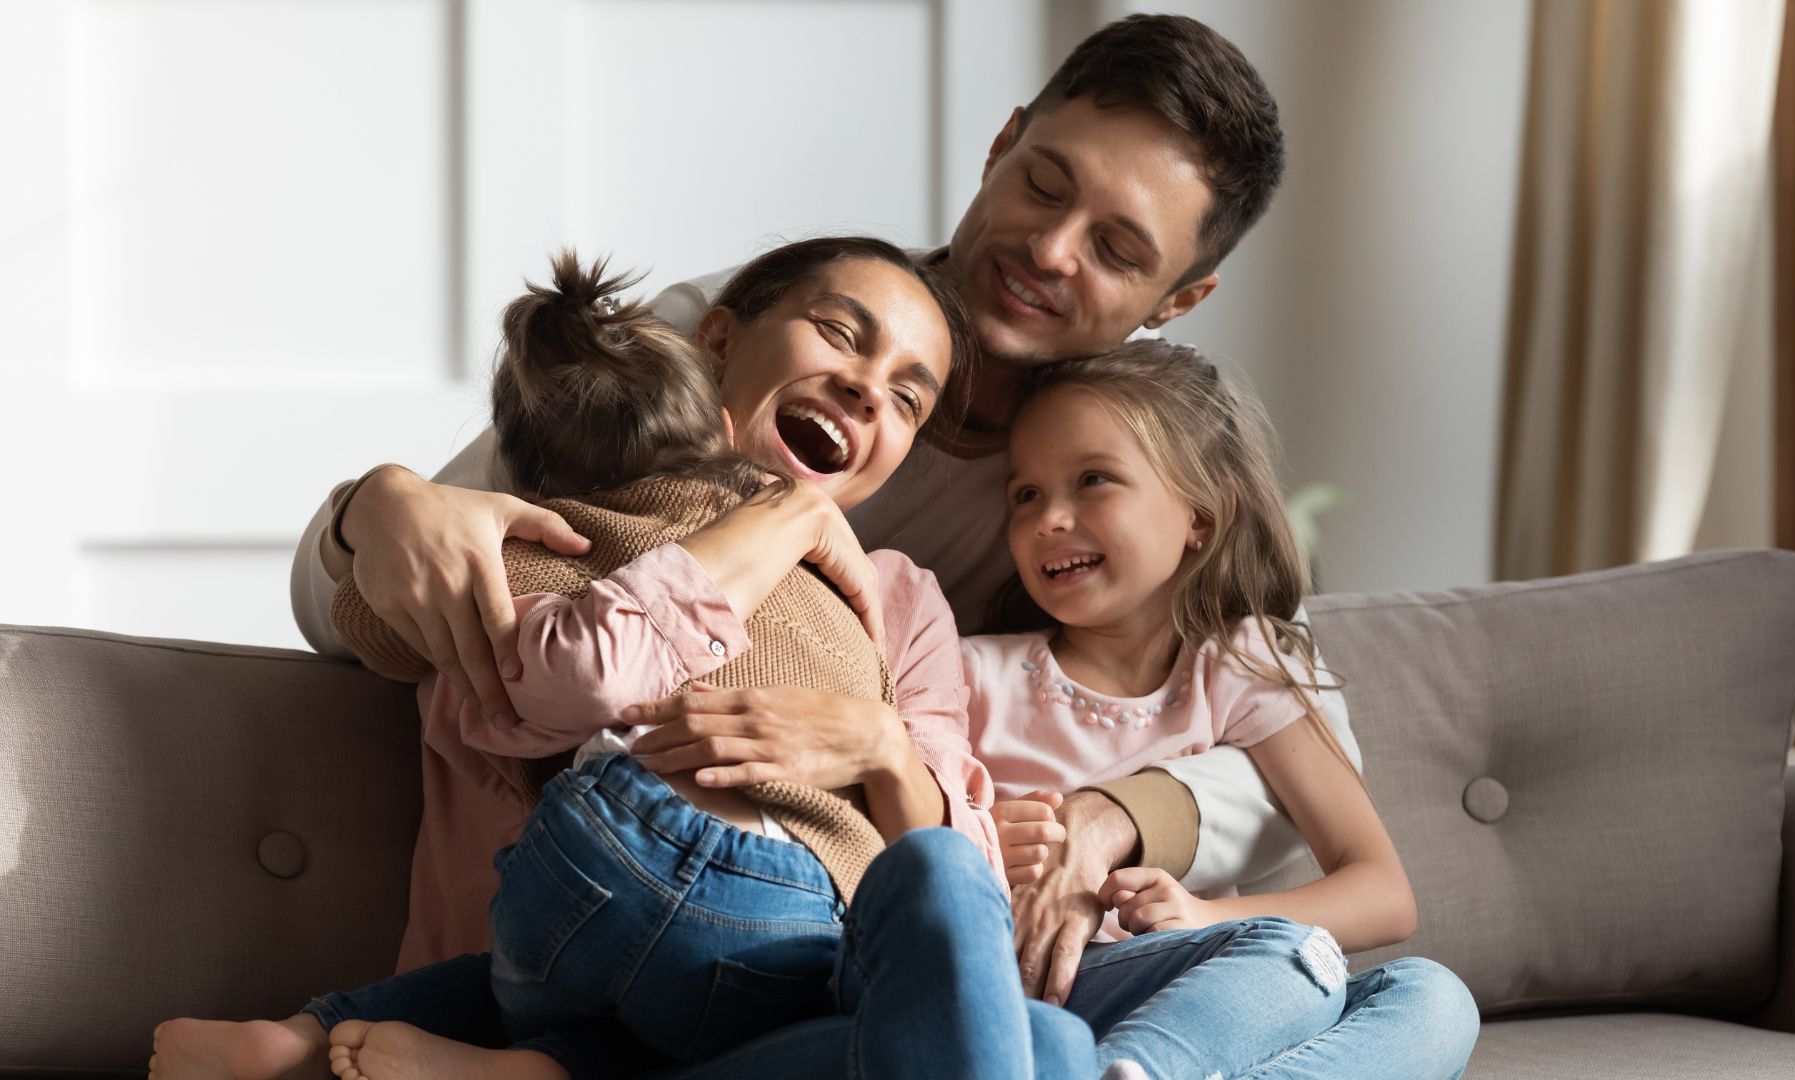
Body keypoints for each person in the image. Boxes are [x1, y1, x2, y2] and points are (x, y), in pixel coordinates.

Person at [287, 12, 1347, 1007]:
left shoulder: (1119, 473)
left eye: (1118, 250)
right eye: (1044, 184)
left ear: (1178, 301)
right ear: (1001, 144)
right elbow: (348, 608)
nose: (1051, 249)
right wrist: (370, 514)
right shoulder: (740, 332)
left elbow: (1295, 707)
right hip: (589, 854)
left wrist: (1117, 814)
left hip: (827, 905)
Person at [153, 238, 1093, 1080]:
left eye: (906, 397)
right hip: (576, 929)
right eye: (841, 336)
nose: (865, 390)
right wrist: (375, 503)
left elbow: (955, 905)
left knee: (1036, 1026)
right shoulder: (550, 517)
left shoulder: (895, 599)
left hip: (763, 986)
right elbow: (363, 620)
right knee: (1027, 1049)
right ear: (718, 339)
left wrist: (881, 749)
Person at [965, 342, 1476, 1078]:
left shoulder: (1244, 663)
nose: (1049, 519)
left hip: (1213, 981)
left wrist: (1203, 919)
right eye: (1026, 495)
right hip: (1050, 987)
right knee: (1286, 958)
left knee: (1432, 996)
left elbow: (1383, 892)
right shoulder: (978, 673)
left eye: (1093, 481)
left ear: (1200, 517)